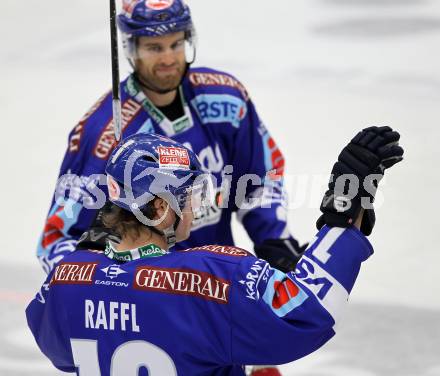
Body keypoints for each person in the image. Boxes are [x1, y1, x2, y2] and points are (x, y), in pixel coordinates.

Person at [27, 128, 403, 375]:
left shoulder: (66, 280)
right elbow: (307, 311)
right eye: (188, 197)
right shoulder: (211, 276)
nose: (196, 207)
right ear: (159, 209)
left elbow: (58, 347)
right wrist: (343, 215)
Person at [36, 0, 304, 282]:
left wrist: (274, 241)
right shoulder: (103, 134)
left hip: (220, 284)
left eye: (176, 44)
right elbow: (57, 240)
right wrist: (103, 284)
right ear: (131, 48)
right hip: (150, 294)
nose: (168, 58)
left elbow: (258, 179)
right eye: (154, 47)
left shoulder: (225, 99)